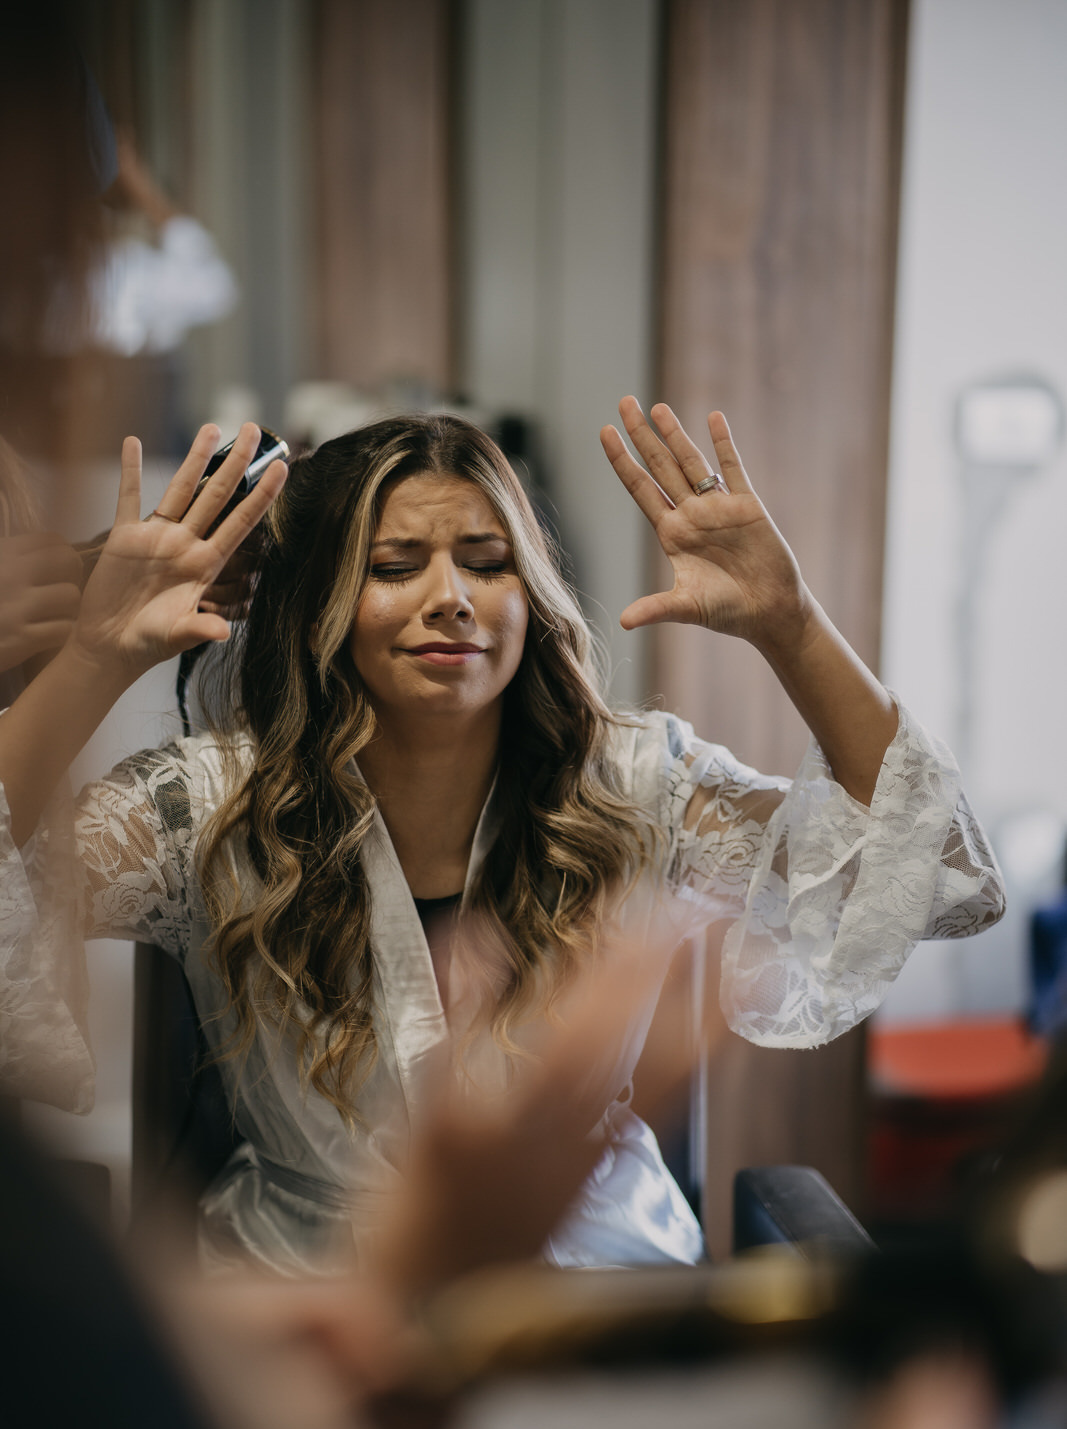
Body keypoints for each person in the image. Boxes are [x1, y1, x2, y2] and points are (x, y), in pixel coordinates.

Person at [0, 401, 1005, 1275]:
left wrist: (791, 625)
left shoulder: (638, 786)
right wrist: (91, 657)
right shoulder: (209, 807)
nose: (452, 597)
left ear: (528, 594)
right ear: (320, 608)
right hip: (306, 1289)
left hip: (586, 1287)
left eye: (486, 564)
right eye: (394, 567)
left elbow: (937, 882)